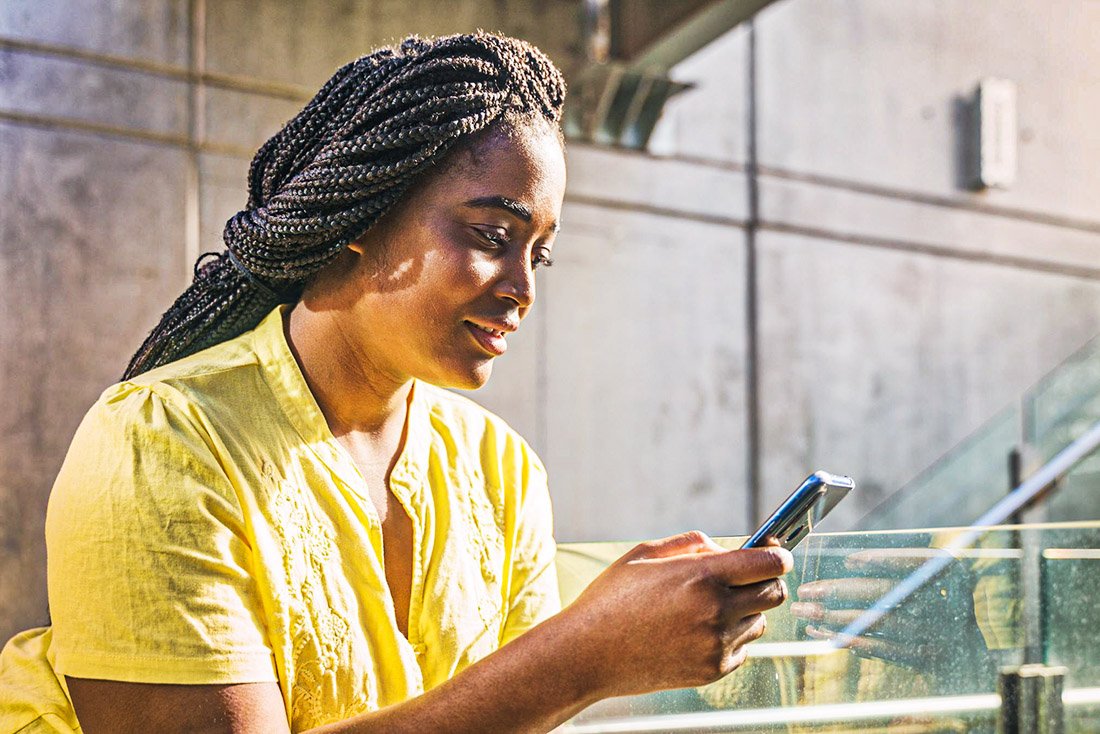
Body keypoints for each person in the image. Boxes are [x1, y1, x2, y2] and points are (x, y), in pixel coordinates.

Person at [0, 32, 792, 733]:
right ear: (357, 216)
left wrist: (620, 640)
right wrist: (580, 658)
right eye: (492, 235)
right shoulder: (161, 445)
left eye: (538, 254)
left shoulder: (499, 468)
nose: (524, 287)